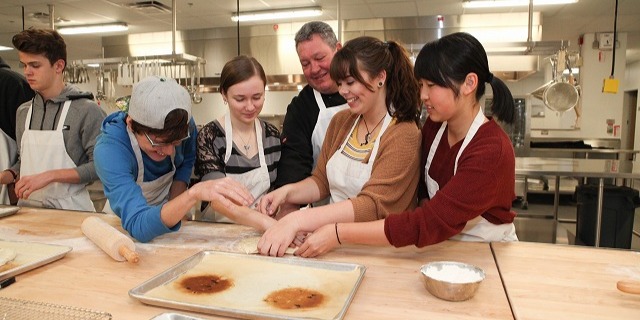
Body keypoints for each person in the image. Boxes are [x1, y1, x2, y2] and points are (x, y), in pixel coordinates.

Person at [295, 32, 519, 258]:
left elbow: (429, 221)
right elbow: (423, 194)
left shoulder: (491, 151)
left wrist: (337, 233)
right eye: (421, 84)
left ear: (469, 83)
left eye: (432, 85)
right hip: (439, 244)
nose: (423, 95)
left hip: (487, 251)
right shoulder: (434, 127)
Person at [257, 36, 422, 257]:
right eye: (340, 83)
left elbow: (371, 206)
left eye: (350, 82)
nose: (343, 91)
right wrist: (287, 193)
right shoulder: (343, 122)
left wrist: (298, 219)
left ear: (380, 77)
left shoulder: (403, 133)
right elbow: (321, 181)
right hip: (331, 243)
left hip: (382, 252)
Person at [95, 75, 261, 242]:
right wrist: (192, 195)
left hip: (169, 213)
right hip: (126, 225)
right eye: (158, 143)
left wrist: (176, 206)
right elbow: (138, 224)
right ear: (131, 124)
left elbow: (186, 163)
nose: (168, 151)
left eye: (175, 143)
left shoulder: (184, 124)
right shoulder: (110, 150)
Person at [0, 29, 105, 211]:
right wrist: (8, 174)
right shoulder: (24, 112)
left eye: (35, 65)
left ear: (58, 66)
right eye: (24, 65)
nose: (27, 72)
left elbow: (101, 167)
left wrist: (50, 176)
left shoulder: (87, 110)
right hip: (28, 210)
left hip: (71, 212)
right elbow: (23, 160)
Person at [195, 55, 281, 222]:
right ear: (224, 95)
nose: (250, 106)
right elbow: (217, 200)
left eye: (257, 97)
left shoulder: (272, 136)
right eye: (240, 99)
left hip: (261, 233)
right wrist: (264, 223)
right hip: (219, 234)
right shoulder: (210, 136)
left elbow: (277, 191)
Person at [275, 21, 348, 214]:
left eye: (319, 58)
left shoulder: (369, 93)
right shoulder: (301, 108)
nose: (314, 69)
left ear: (338, 50)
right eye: (305, 64)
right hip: (323, 216)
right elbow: (293, 170)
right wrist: (288, 218)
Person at [0, 56, 35, 205]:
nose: (28, 71)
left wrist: (11, 174)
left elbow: (28, 152)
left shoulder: (12, 85)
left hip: (9, 196)